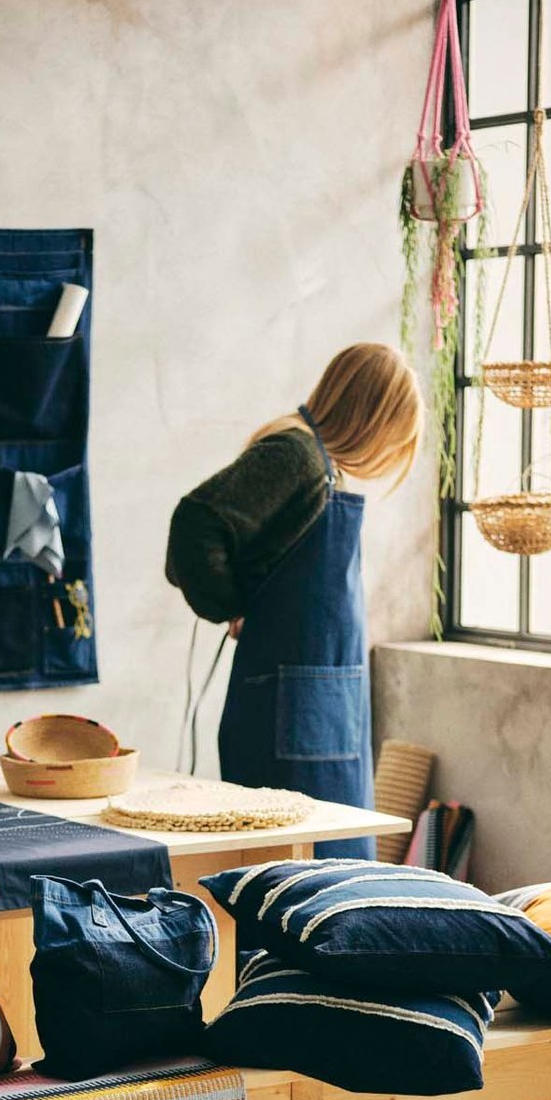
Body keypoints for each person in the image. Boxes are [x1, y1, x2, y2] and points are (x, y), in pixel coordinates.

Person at [165, 342, 424, 858]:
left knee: (324, 881)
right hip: (291, 723)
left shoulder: (320, 465)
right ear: (370, 416)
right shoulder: (297, 456)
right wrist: (230, 604)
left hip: (318, 712)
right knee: (304, 881)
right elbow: (194, 524)